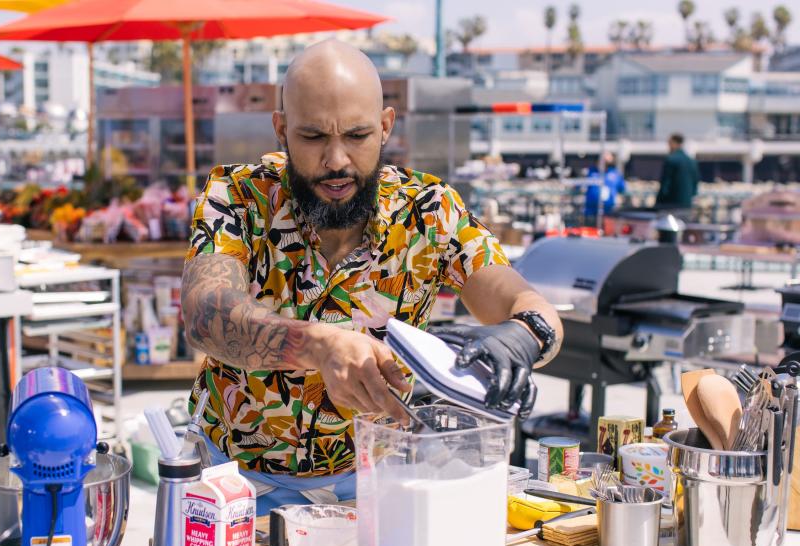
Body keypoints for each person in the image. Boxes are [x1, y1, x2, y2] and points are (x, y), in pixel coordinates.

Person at [180, 40, 564, 514]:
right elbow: (204, 314)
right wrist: (318, 345)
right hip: (232, 486)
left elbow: (521, 300)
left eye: (357, 136)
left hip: (378, 487)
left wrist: (523, 335)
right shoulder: (236, 196)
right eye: (314, 136)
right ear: (281, 131)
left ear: (385, 127)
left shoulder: (430, 210)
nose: (337, 160)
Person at [655, 133, 699, 210]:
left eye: (669, 143)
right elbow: (695, 182)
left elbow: (665, 184)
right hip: (687, 203)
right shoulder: (692, 161)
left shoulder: (671, 160)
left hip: (671, 204)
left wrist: (658, 203)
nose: (668, 146)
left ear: (674, 143)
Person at [583, 151, 626, 224]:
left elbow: (622, 188)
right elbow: (582, 186)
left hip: (609, 212)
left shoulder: (615, 174)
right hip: (591, 211)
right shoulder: (591, 172)